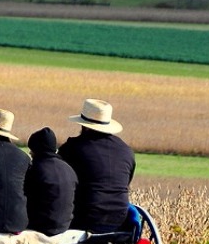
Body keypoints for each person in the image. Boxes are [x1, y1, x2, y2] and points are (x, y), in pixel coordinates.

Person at [58, 99, 135, 233]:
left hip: (83, 217)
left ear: (84, 125)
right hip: (119, 218)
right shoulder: (126, 151)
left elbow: (60, 181)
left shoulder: (72, 148)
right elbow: (126, 183)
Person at [24, 127, 78, 236]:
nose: (30, 153)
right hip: (64, 226)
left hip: (41, 226)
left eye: (32, 150)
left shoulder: (36, 169)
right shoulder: (68, 169)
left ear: (37, 150)